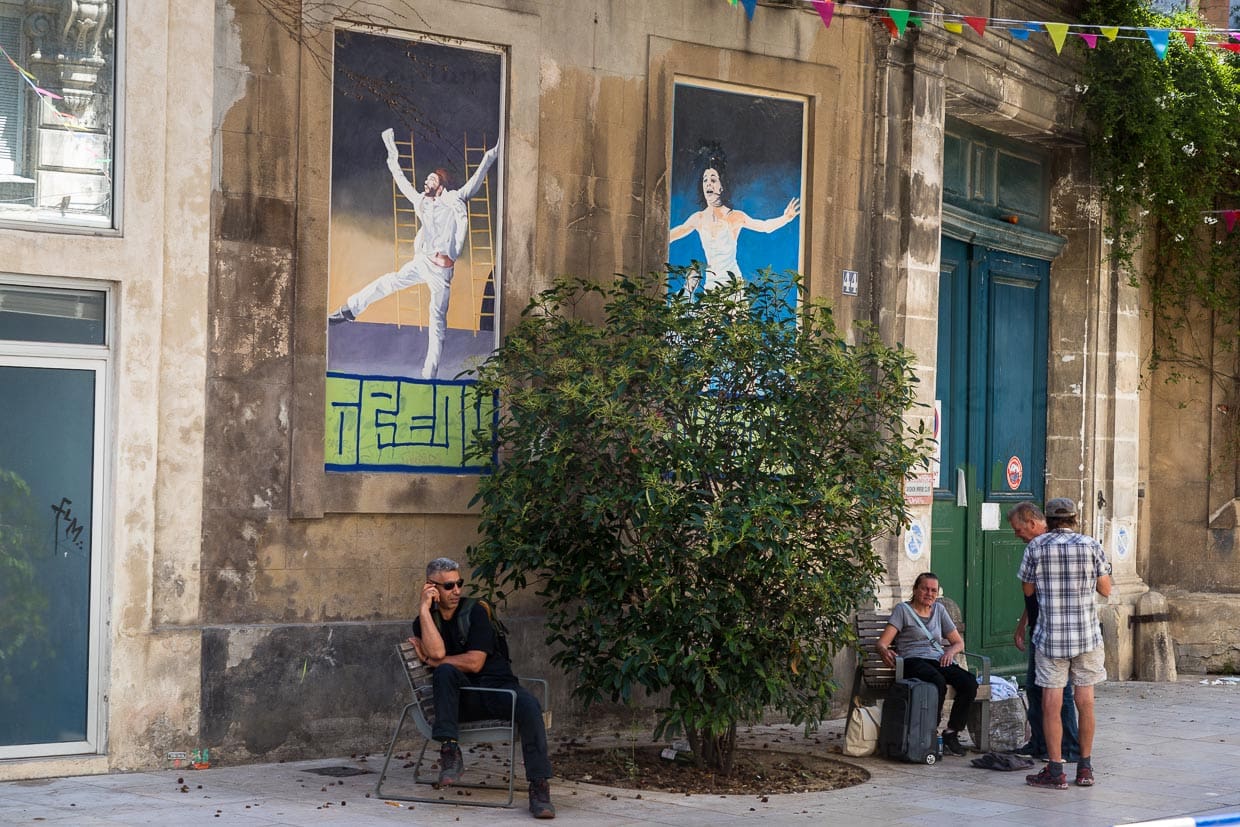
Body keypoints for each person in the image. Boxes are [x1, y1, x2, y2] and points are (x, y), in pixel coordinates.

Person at [329, 129, 499, 380]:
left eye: (431, 179)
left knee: (437, 322)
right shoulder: (422, 202)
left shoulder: (455, 199)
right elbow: (403, 183)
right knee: (388, 281)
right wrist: (392, 154)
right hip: (423, 263)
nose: (425, 182)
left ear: (441, 185)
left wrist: (493, 153)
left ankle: (428, 375)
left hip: (441, 273)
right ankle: (349, 310)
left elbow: (479, 174)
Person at [409, 557, 555, 819]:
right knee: (444, 672)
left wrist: (430, 660)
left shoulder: (476, 611)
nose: (456, 591)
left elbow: (475, 663)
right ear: (431, 588)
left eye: (459, 584)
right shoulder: (426, 620)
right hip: (461, 703)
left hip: (498, 691)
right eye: (448, 586)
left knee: (530, 706)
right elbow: (439, 650)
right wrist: (423, 610)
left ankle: (539, 787)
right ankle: (450, 751)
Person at [1018, 497, 1112, 790]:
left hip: (1051, 636)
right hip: (1086, 635)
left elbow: (1028, 589)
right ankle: (1084, 767)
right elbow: (1106, 589)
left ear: (1048, 519)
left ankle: (1055, 769)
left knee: (1051, 703)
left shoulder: (1036, 547)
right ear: (1074, 518)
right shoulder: (1091, 545)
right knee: (1085, 702)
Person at [668, 147, 799, 298]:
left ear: (721, 186)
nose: (708, 184)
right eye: (705, 180)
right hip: (711, 284)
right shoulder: (698, 218)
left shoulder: (734, 217)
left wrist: (786, 218)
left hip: (732, 284)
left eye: (713, 180)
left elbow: (764, 227)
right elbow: (672, 235)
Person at [1007, 502, 1081, 762]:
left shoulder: (1053, 545)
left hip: (1059, 630)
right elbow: (1033, 593)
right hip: (1040, 627)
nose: (1017, 535)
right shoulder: (1035, 548)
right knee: (1035, 688)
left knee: (1063, 691)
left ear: (1032, 522)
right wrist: (1023, 624)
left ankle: (1069, 746)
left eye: (1018, 529)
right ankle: (1040, 742)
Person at [876, 571, 978, 756]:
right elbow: (883, 642)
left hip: (937, 658)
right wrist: (885, 651)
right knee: (936, 681)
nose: (929, 593)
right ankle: (930, 731)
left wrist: (950, 651)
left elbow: (958, 642)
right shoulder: (903, 610)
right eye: (925, 589)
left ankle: (951, 732)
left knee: (969, 682)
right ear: (915, 590)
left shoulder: (939, 610)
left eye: (933, 590)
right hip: (912, 660)